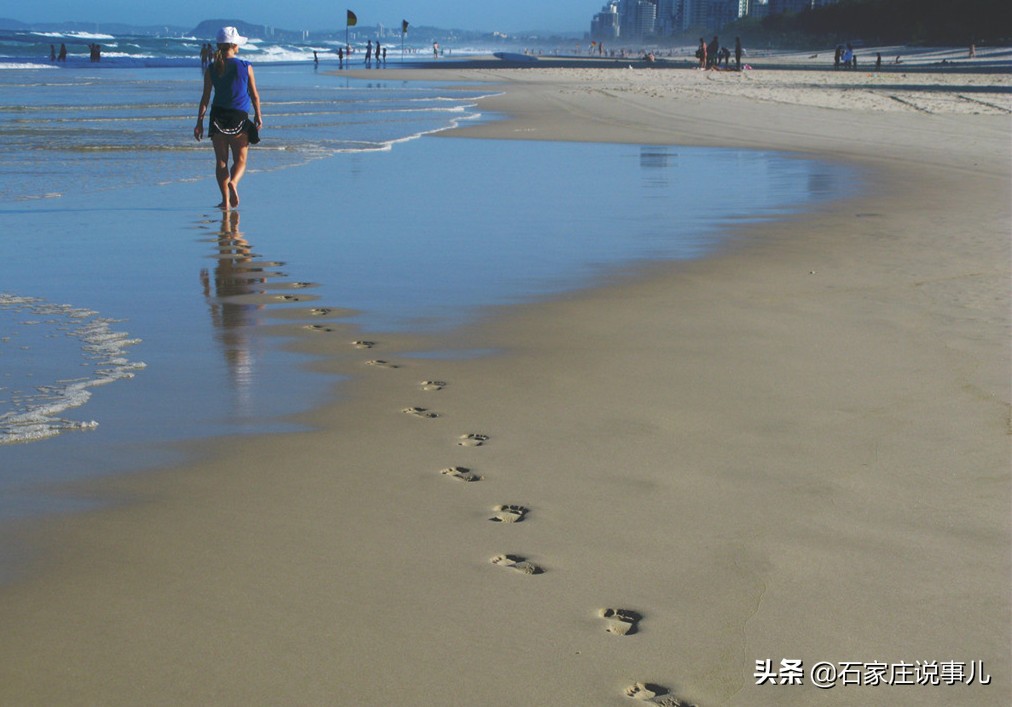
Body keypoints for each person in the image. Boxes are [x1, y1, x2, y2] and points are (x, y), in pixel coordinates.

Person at [194, 27, 263, 210]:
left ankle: (225, 201)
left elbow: (205, 97)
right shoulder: (245, 66)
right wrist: (258, 115)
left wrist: (199, 122)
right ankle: (234, 183)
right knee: (240, 160)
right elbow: (254, 95)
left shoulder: (211, 68)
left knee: (221, 162)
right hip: (239, 117)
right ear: (234, 45)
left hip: (217, 117)